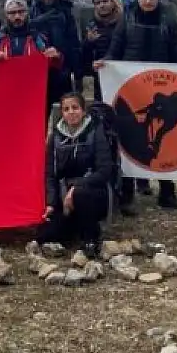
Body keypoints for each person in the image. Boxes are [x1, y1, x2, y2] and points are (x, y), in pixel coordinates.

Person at [93, 0, 177, 212]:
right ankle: (126, 194)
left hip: (161, 87)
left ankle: (167, 192)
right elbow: (116, 46)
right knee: (129, 135)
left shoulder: (169, 21)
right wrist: (106, 61)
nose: (148, 1)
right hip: (131, 86)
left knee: (164, 140)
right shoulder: (127, 19)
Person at [39, 92, 117, 258]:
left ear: (83, 111)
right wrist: (51, 203)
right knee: (44, 235)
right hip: (63, 194)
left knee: (81, 195)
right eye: (66, 109)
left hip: (92, 191)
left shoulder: (95, 131)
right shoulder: (55, 137)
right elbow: (50, 174)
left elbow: (104, 170)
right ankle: (74, 226)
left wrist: (76, 188)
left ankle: (91, 238)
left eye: (75, 107)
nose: (71, 112)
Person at [0, 0, 64, 76]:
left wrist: (56, 57)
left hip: (32, 88)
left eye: (21, 12)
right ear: (6, 15)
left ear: (27, 13)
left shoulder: (39, 38)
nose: (17, 17)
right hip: (4, 88)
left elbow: (54, 67)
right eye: (12, 13)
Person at [28, 0, 83, 96]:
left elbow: (73, 42)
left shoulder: (65, 12)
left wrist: (77, 72)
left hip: (61, 66)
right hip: (37, 67)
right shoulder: (30, 11)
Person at [80, 0, 122, 102]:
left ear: (112, 2)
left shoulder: (123, 22)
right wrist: (88, 42)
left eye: (105, 1)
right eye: (98, 3)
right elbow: (84, 57)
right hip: (100, 76)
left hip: (121, 74)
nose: (102, 5)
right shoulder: (91, 25)